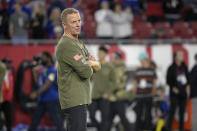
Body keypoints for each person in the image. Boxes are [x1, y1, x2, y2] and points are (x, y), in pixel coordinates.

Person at [56, 8, 100, 131]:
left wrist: (89, 64)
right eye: (73, 22)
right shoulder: (67, 45)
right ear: (64, 25)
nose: (78, 24)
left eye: (79, 20)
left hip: (80, 99)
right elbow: (86, 72)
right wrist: (90, 64)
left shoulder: (79, 43)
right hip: (74, 100)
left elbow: (97, 66)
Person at [28, 51, 64, 131]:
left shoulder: (52, 71)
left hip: (51, 99)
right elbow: (39, 84)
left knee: (56, 120)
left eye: (43, 57)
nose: (41, 59)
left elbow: (47, 85)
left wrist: (36, 93)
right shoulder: (43, 70)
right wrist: (34, 73)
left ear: (48, 58)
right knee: (35, 120)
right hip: (42, 99)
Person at [88, 46, 116, 131]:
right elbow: (90, 78)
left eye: (101, 53)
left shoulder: (110, 67)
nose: (99, 54)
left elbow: (114, 82)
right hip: (94, 96)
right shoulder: (95, 65)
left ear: (105, 54)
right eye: (98, 52)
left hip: (104, 96)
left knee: (105, 118)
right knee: (91, 115)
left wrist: (108, 93)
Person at [107, 51, 133, 131]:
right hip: (114, 97)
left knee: (120, 118)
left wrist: (109, 90)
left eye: (113, 58)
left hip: (118, 97)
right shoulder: (116, 68)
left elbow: (117, 84)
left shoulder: (119, 69)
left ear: (117, 59)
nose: (111, 60)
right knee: (110, 119)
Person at [166, 50, 190, 131]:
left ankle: (181, 129)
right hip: (175, 94)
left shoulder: (184, 66)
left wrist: (187, 86)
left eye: (182, 55)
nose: (182, 56)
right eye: (180, 55)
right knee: (172, 112)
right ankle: (168, 128)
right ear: (175, 56)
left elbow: (188, 78)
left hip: (183, 93)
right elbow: (168, 80)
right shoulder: (171, 67)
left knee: (182, 114)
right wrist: (173, 87)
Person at [133, 52, 157, 131]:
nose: (141, 61)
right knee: (138, 114)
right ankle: (138, 129)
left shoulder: (152, 70)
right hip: (139, 96)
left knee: (148, 114)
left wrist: (153, 93)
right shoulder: (138, 70)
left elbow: (154, 82)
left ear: (145, 59)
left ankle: (148, 129)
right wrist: (134, 93)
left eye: (142, 60)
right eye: (140, 60)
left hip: (148, 96)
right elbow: (135, 83)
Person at [0, 58, 14, 131]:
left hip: (8, 100)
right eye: (8, 63)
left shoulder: (10, 73)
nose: (9, 65)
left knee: (9, 118)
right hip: (1, 99)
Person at [190, 53, 197, 131]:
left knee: (195, 114)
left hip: (195, 95)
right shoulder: (194, 68)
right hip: (195, 95)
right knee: (195, 114)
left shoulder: (194, 69)